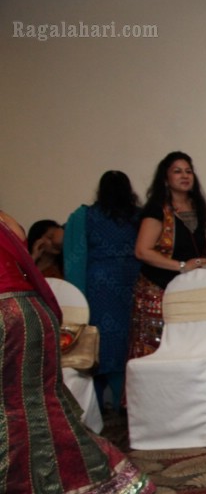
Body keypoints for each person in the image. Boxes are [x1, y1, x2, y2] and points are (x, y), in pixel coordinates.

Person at [0, 210, 153, 494]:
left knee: (11, 407)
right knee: (42, 401)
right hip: (32, 311)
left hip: (4, 316)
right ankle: (90, 481)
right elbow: (21, 239)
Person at [130, 152, 206, 360]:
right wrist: (182, 266)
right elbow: (142, 251)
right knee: (159, 350)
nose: (185, 176)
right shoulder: (157, 209)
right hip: (159, 290)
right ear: (165, 179)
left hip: (189, 289)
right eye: (177, 171)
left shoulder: (196, 205)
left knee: (193, 346)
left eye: (188, 171)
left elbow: (201, 241)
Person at [63, 171, 142, 410]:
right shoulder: (139, 217)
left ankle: (94, 406)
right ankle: (130, 403)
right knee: (128, 339)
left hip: (99, 286)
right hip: (132, 280)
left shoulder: (84, 216)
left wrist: (76, 297)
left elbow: (74, 257)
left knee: (99, 341)